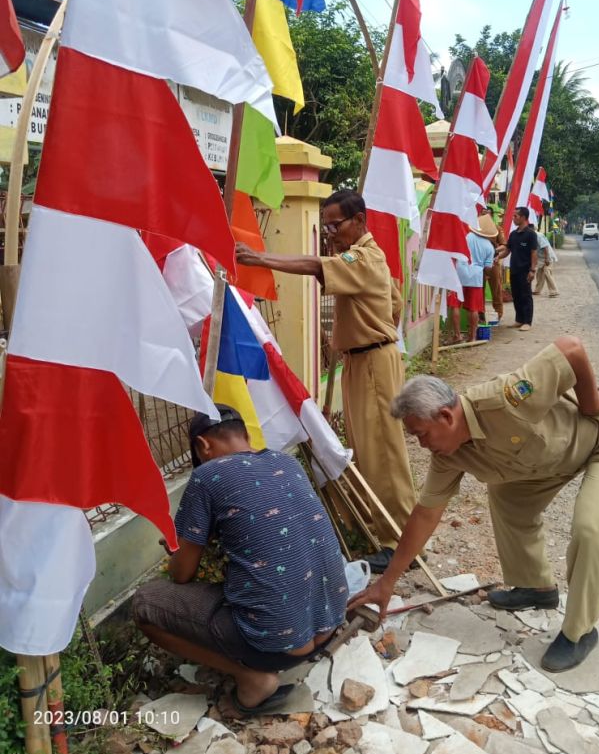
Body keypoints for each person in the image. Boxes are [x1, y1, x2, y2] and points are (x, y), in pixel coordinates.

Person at [349, 337, 599, 672]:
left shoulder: (506, 400)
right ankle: (537, 587)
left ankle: (580, 633)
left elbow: (571, 348)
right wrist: (386, 582)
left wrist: (591, 403)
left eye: (421, 434)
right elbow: (425, 514)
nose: (421, 445)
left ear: (446, 416)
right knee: (507, 496)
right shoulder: (447, 455)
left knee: (592, 527)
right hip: (555, 457)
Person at [235, 189, 416, 574]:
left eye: (336, 224)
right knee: (367, 448)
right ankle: (382, 526)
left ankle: (399, 541)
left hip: (373, 361)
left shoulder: (363, 257)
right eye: (327, 225)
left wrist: (258, 257)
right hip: (363, 358)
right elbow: (396, 302)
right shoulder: (367, 258)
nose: (330, 232)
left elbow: (316, 266)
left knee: (384, 451)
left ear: (360, 221)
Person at [133, 406, 348, 714]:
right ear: (246, 435)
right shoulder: (286, 462)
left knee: (145, 603)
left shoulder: (207, 476)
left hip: (279, 650)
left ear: (203, 446)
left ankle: (252, 677)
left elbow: (182, 574)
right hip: (328, 627)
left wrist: (177, 550)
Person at [447, 219, 495, 343]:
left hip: (460, 272)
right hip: (476, 276)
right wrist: (486, 275)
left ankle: (457, 335)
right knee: (474, 308)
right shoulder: (489, 246)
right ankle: (472, 336)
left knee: (455, 305)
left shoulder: (466, 237)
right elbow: (488, 268)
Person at [499, 206, 538, 331]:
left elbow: (534, 253)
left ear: (523, 217)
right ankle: (519, 319)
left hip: (525, 271)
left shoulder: (531, 234)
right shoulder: (513, 234)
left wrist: (532, 270)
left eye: (516, 216)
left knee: (525, 296)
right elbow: (507, 250)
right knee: (516, 295)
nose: (513, 218)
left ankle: (527, 321)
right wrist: (497, 257)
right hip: (514, 270)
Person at [479, 209, 506, 324]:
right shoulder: (476, 229)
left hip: (493, 262)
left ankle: (498, 314)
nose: (485, 216)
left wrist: (493, 251)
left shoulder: (497, 229)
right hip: (479, 263)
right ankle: (480, 315)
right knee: (479, 290)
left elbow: (504, 245)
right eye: (483, 213)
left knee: (496, 289)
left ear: (491, 215)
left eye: (487, 214)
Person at [533, 231, 559, 297]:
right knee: (539, 274)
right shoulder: (530, 236)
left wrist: (547, 258)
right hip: (541, 258)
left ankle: (554, 291)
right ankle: (537, 290)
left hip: (548, 256)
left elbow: (545, 247)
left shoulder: (539, 236)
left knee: (547, 272)